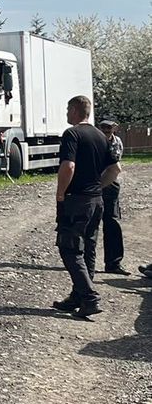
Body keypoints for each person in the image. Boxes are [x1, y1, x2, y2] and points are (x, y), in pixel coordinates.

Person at [53, 95, 121, 320]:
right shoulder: (101, 136)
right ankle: (78, 297)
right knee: (89, 249)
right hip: (96, 200)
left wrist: (61, 192)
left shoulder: (72, 134)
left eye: (67, 109)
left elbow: (69, 166)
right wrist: (97, 187)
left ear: (74, 110)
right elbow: (115, 170)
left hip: (76, 201)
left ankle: (90, 298)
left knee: (70, 249)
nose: (66, 113)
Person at [98, 120, 129, 275]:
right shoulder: (96, 140)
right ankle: (85, 262)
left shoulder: (117, 142)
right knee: (89, 224)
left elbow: (115, 164)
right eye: (103, 127)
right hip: (95, 181)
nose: (106, 130)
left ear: (114, 128)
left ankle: (113, 263)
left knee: (112, 223)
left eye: (109, 127)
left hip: (110, 183)